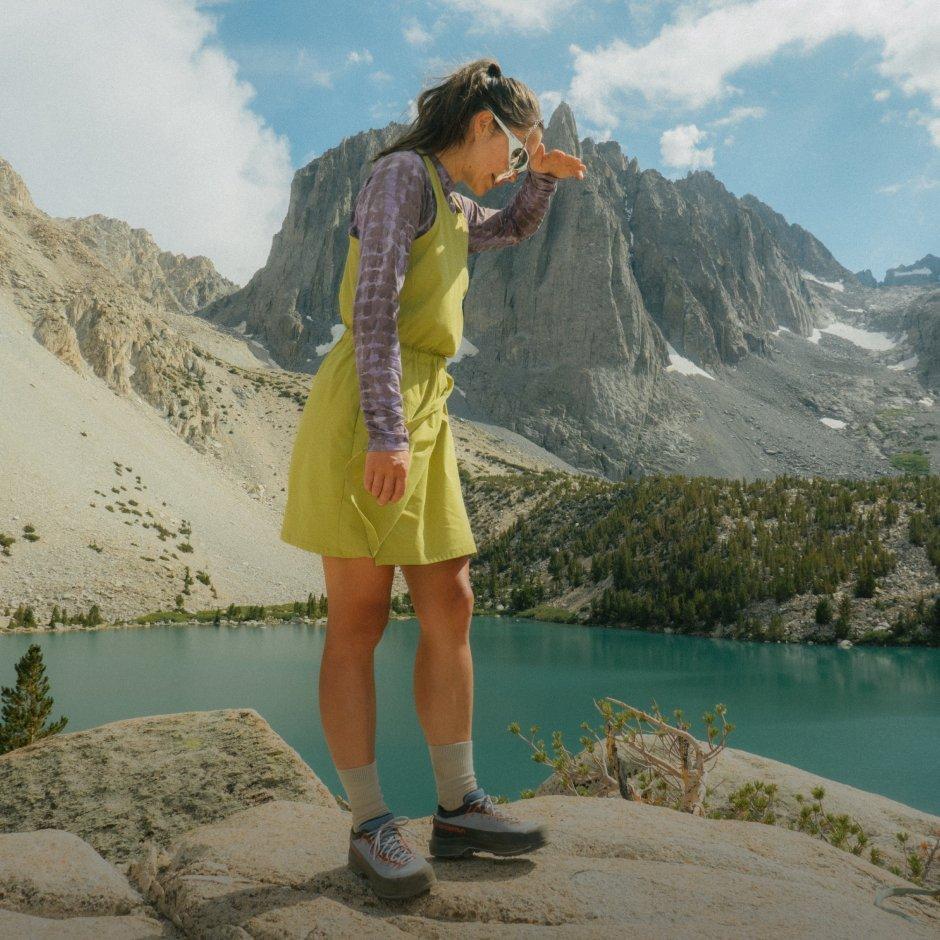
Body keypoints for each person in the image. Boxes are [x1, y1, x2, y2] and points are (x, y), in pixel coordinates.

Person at [280, 57, 587, 901]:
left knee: (450, 598)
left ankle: (458, 808)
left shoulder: (448, 197)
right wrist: (385, 430)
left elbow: (504, 230)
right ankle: (371, 823)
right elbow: (372, 306)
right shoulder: (397, 179)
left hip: (426, 409)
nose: (511, 170)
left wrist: (544, 182)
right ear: (482, 125)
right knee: (360, 616)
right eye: (515, 153)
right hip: (369, 411)